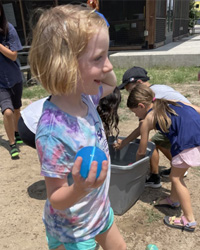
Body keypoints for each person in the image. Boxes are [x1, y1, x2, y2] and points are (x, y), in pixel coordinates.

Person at [28, 4, 126, 250]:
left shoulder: (86, 97)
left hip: (99, 212)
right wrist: (81, 188)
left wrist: (100, 60)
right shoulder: (53, 131)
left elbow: (113, 85)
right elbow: (56, 198)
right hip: (74, 230)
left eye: (107, 55)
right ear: (66, 65)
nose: (109, 66)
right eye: (98, 58)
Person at [126, 83, 200, 232]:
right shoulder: (171, 102)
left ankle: (189, 219)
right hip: (196, 138)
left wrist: (131, 166)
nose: (136, 116)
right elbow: (197, 109)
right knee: (176, 172)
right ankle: (173, 200)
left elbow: (141, 150)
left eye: (135, 113)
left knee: (176, 178)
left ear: (141, 105)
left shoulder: (148, 119)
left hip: (187, 144)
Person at [114, 66, 190, 188]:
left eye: (130, 90)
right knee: (158, 141)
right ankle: (179, 168)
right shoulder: (159, 88)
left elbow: (142, 128)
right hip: (183, 122)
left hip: (183, 126)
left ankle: (156, 176)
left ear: (139, 83)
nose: (130, 94)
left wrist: (124, 143)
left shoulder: (149, 96)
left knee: (151, 143)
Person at [0, 1, 23, 159]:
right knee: (7, 112)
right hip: (0, 83)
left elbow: (13, 55)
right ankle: (12, 143)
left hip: (14, 78)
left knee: (16, 109)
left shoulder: (9, 29)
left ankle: (17, 132)